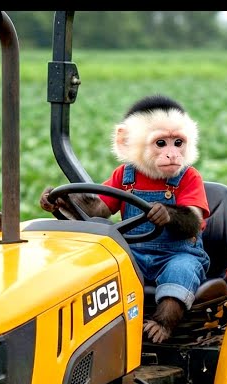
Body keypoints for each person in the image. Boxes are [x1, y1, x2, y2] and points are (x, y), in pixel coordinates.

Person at [41, 95, 210, 343]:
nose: (172, 154)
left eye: (178, 143)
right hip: (134, 253)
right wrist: (63, 202)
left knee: (182, 270)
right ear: (127, 142)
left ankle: (163, 323)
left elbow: (193, 222)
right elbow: (98, 209)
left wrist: (169, 214)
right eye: (160, 143)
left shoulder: (188, 177)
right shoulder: (125, 175)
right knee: (100, 266)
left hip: (177, 253)